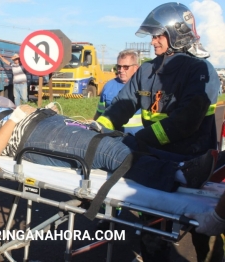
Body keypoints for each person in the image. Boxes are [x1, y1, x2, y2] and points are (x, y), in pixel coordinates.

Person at [95, 3, 222, 262]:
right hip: (153, 160)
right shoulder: (146, 71)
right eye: (153, 36)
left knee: (202, 232)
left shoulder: (200, 71)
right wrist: (100, 127)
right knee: (151, 228)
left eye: (158, 35)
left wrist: (139, 140)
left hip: (194, 162)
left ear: (178, 33)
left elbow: (186, 123)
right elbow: (122, 104)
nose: (153, 41)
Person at [0, 103, 216, 194]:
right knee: (103, 150)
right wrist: (13, 119)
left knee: (124, 139)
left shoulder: (2, 110)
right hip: (35, 136)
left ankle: (186, 163)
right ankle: (179, 175)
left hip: (49, 124)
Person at [94, 49, 142, 135]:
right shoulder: (108, 86)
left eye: (126, 67)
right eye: (119, 66)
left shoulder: (144, 87)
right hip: (114, 140)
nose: (121, 70)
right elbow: (99, 113)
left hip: (139, 140)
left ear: (136, 68)